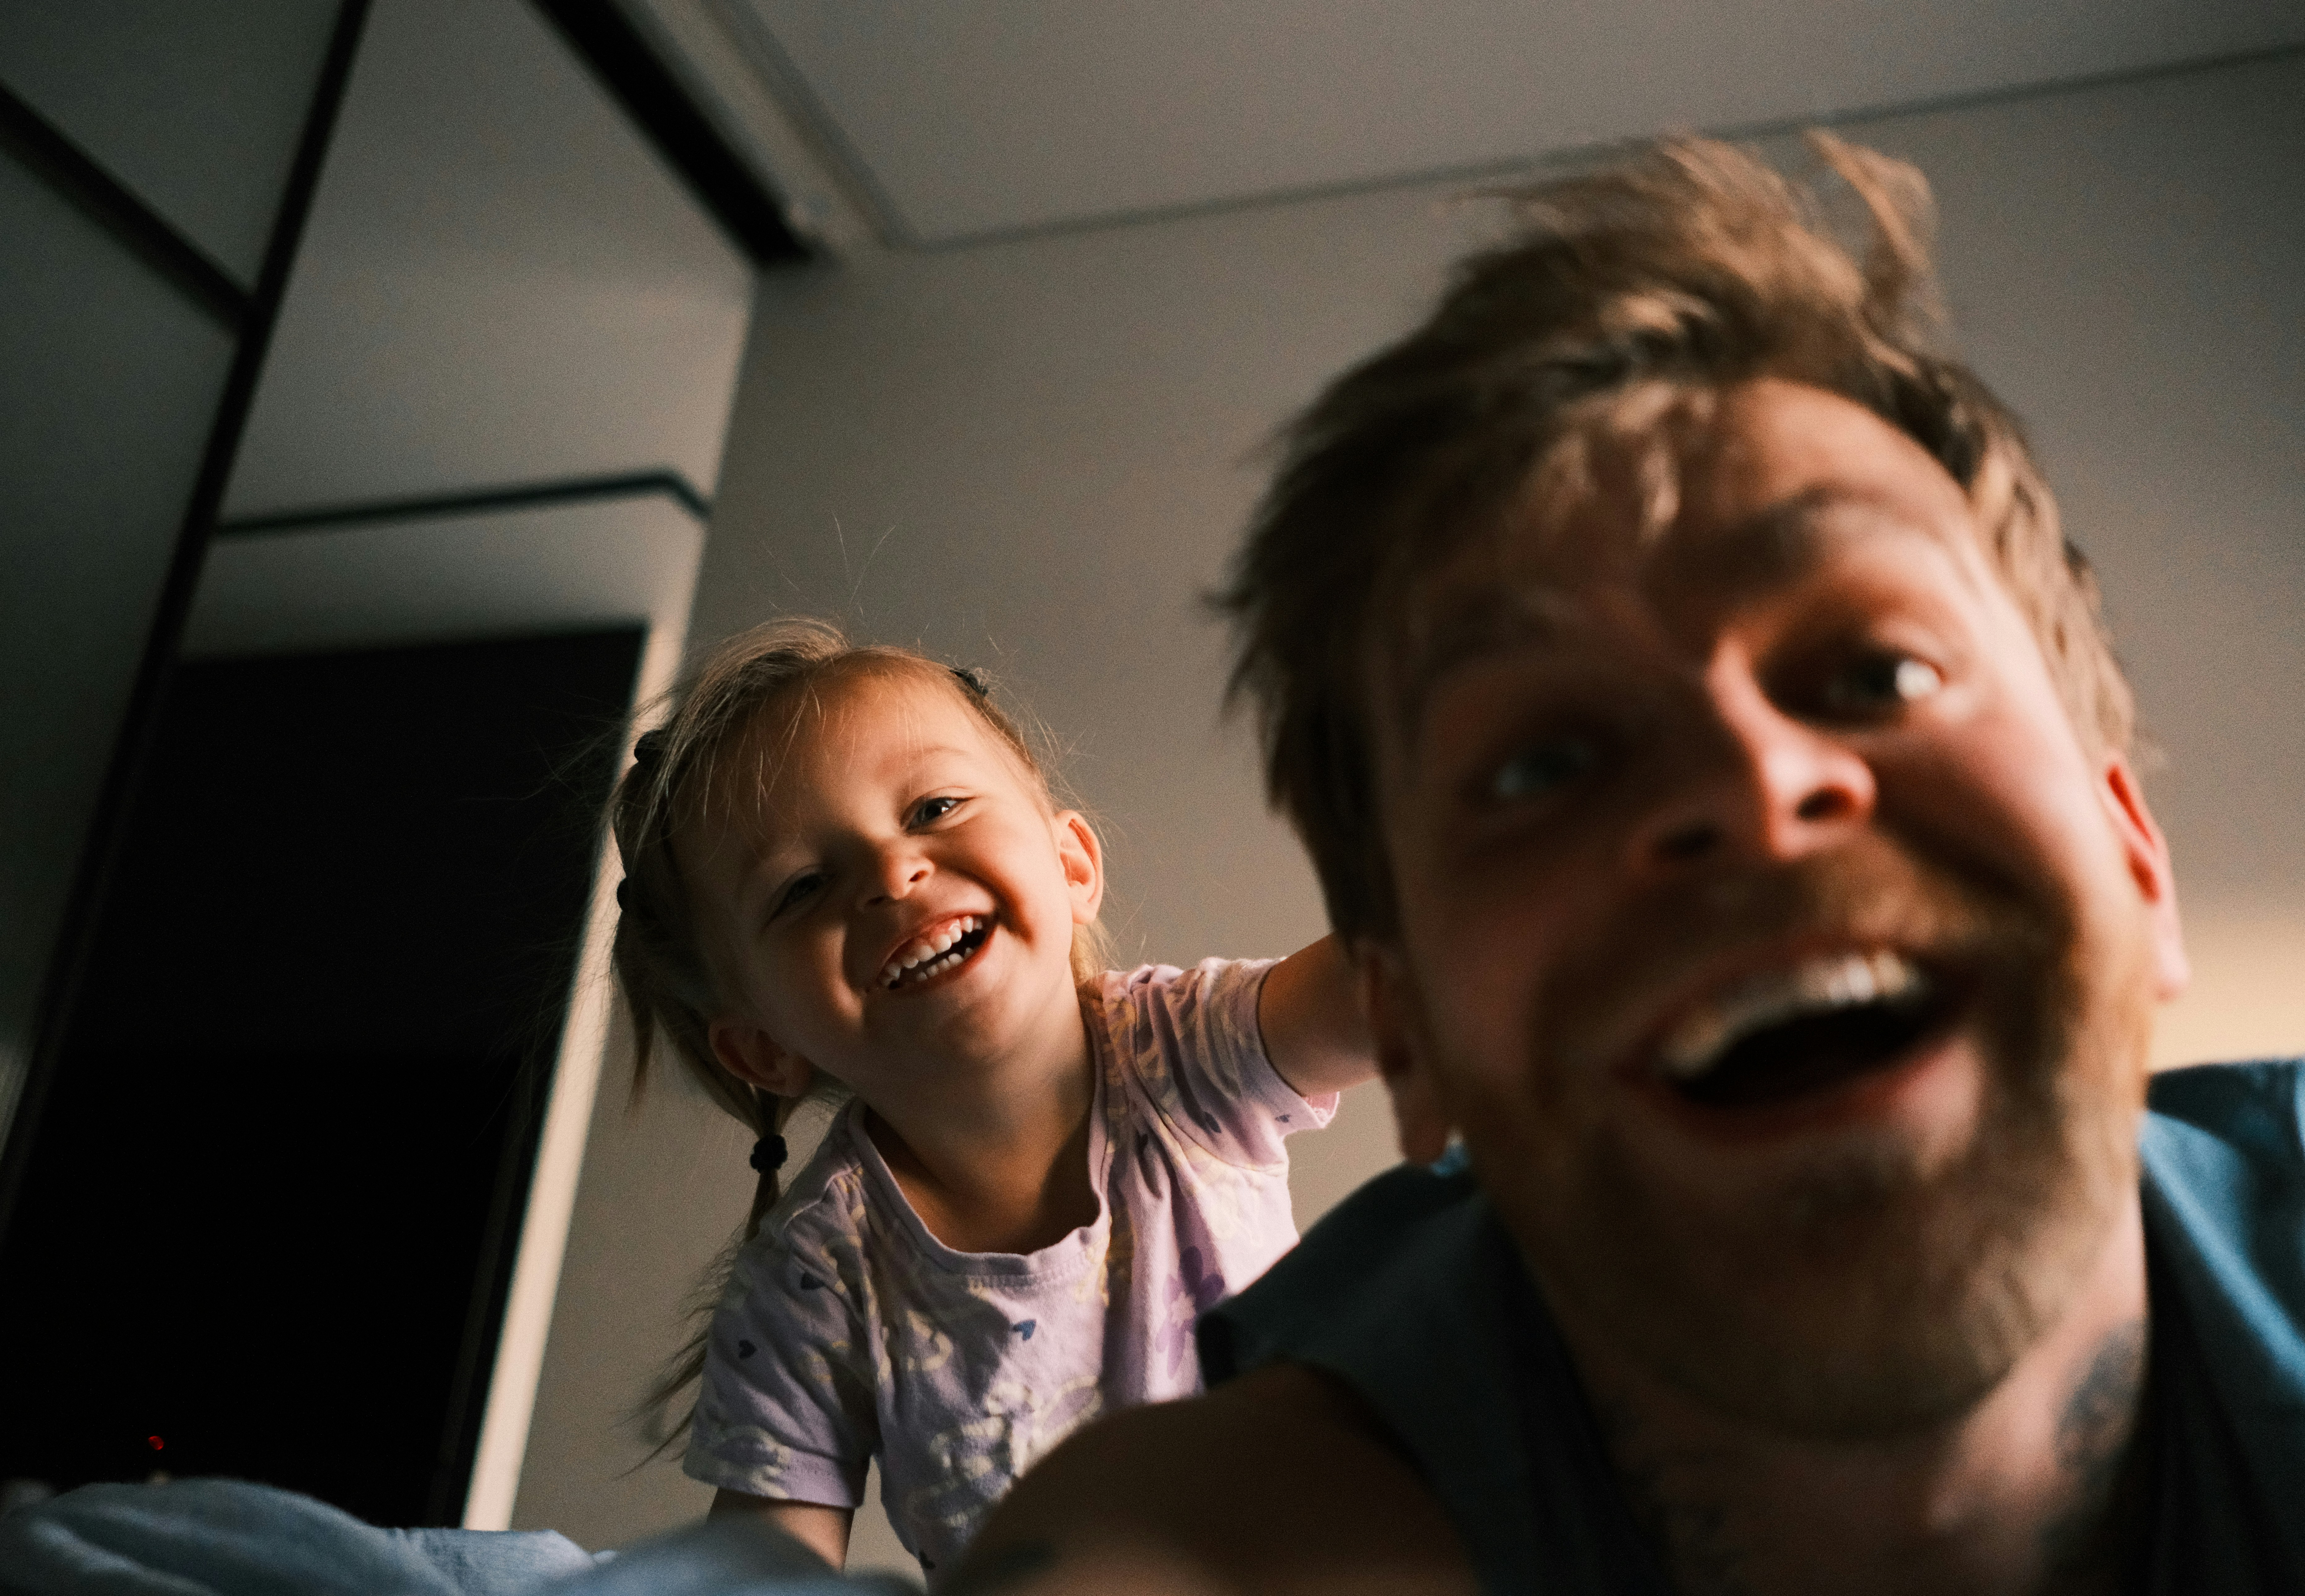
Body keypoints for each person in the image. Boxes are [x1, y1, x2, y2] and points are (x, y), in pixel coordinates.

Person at [958, 136, 2305, 1594]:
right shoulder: (1242, 1529)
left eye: (1876, 671)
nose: (1750, 782)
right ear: (1408, 1038)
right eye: (1543, 764)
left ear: (2133, 858)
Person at [603, 620, 1376, 1576]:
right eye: (802, 887)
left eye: (933, 806)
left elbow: (1396, 980)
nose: (892, 873)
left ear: (1071, 865)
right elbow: (764, 1566)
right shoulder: (817, 1274)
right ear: (761, 1046)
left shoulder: (1187, 1052)